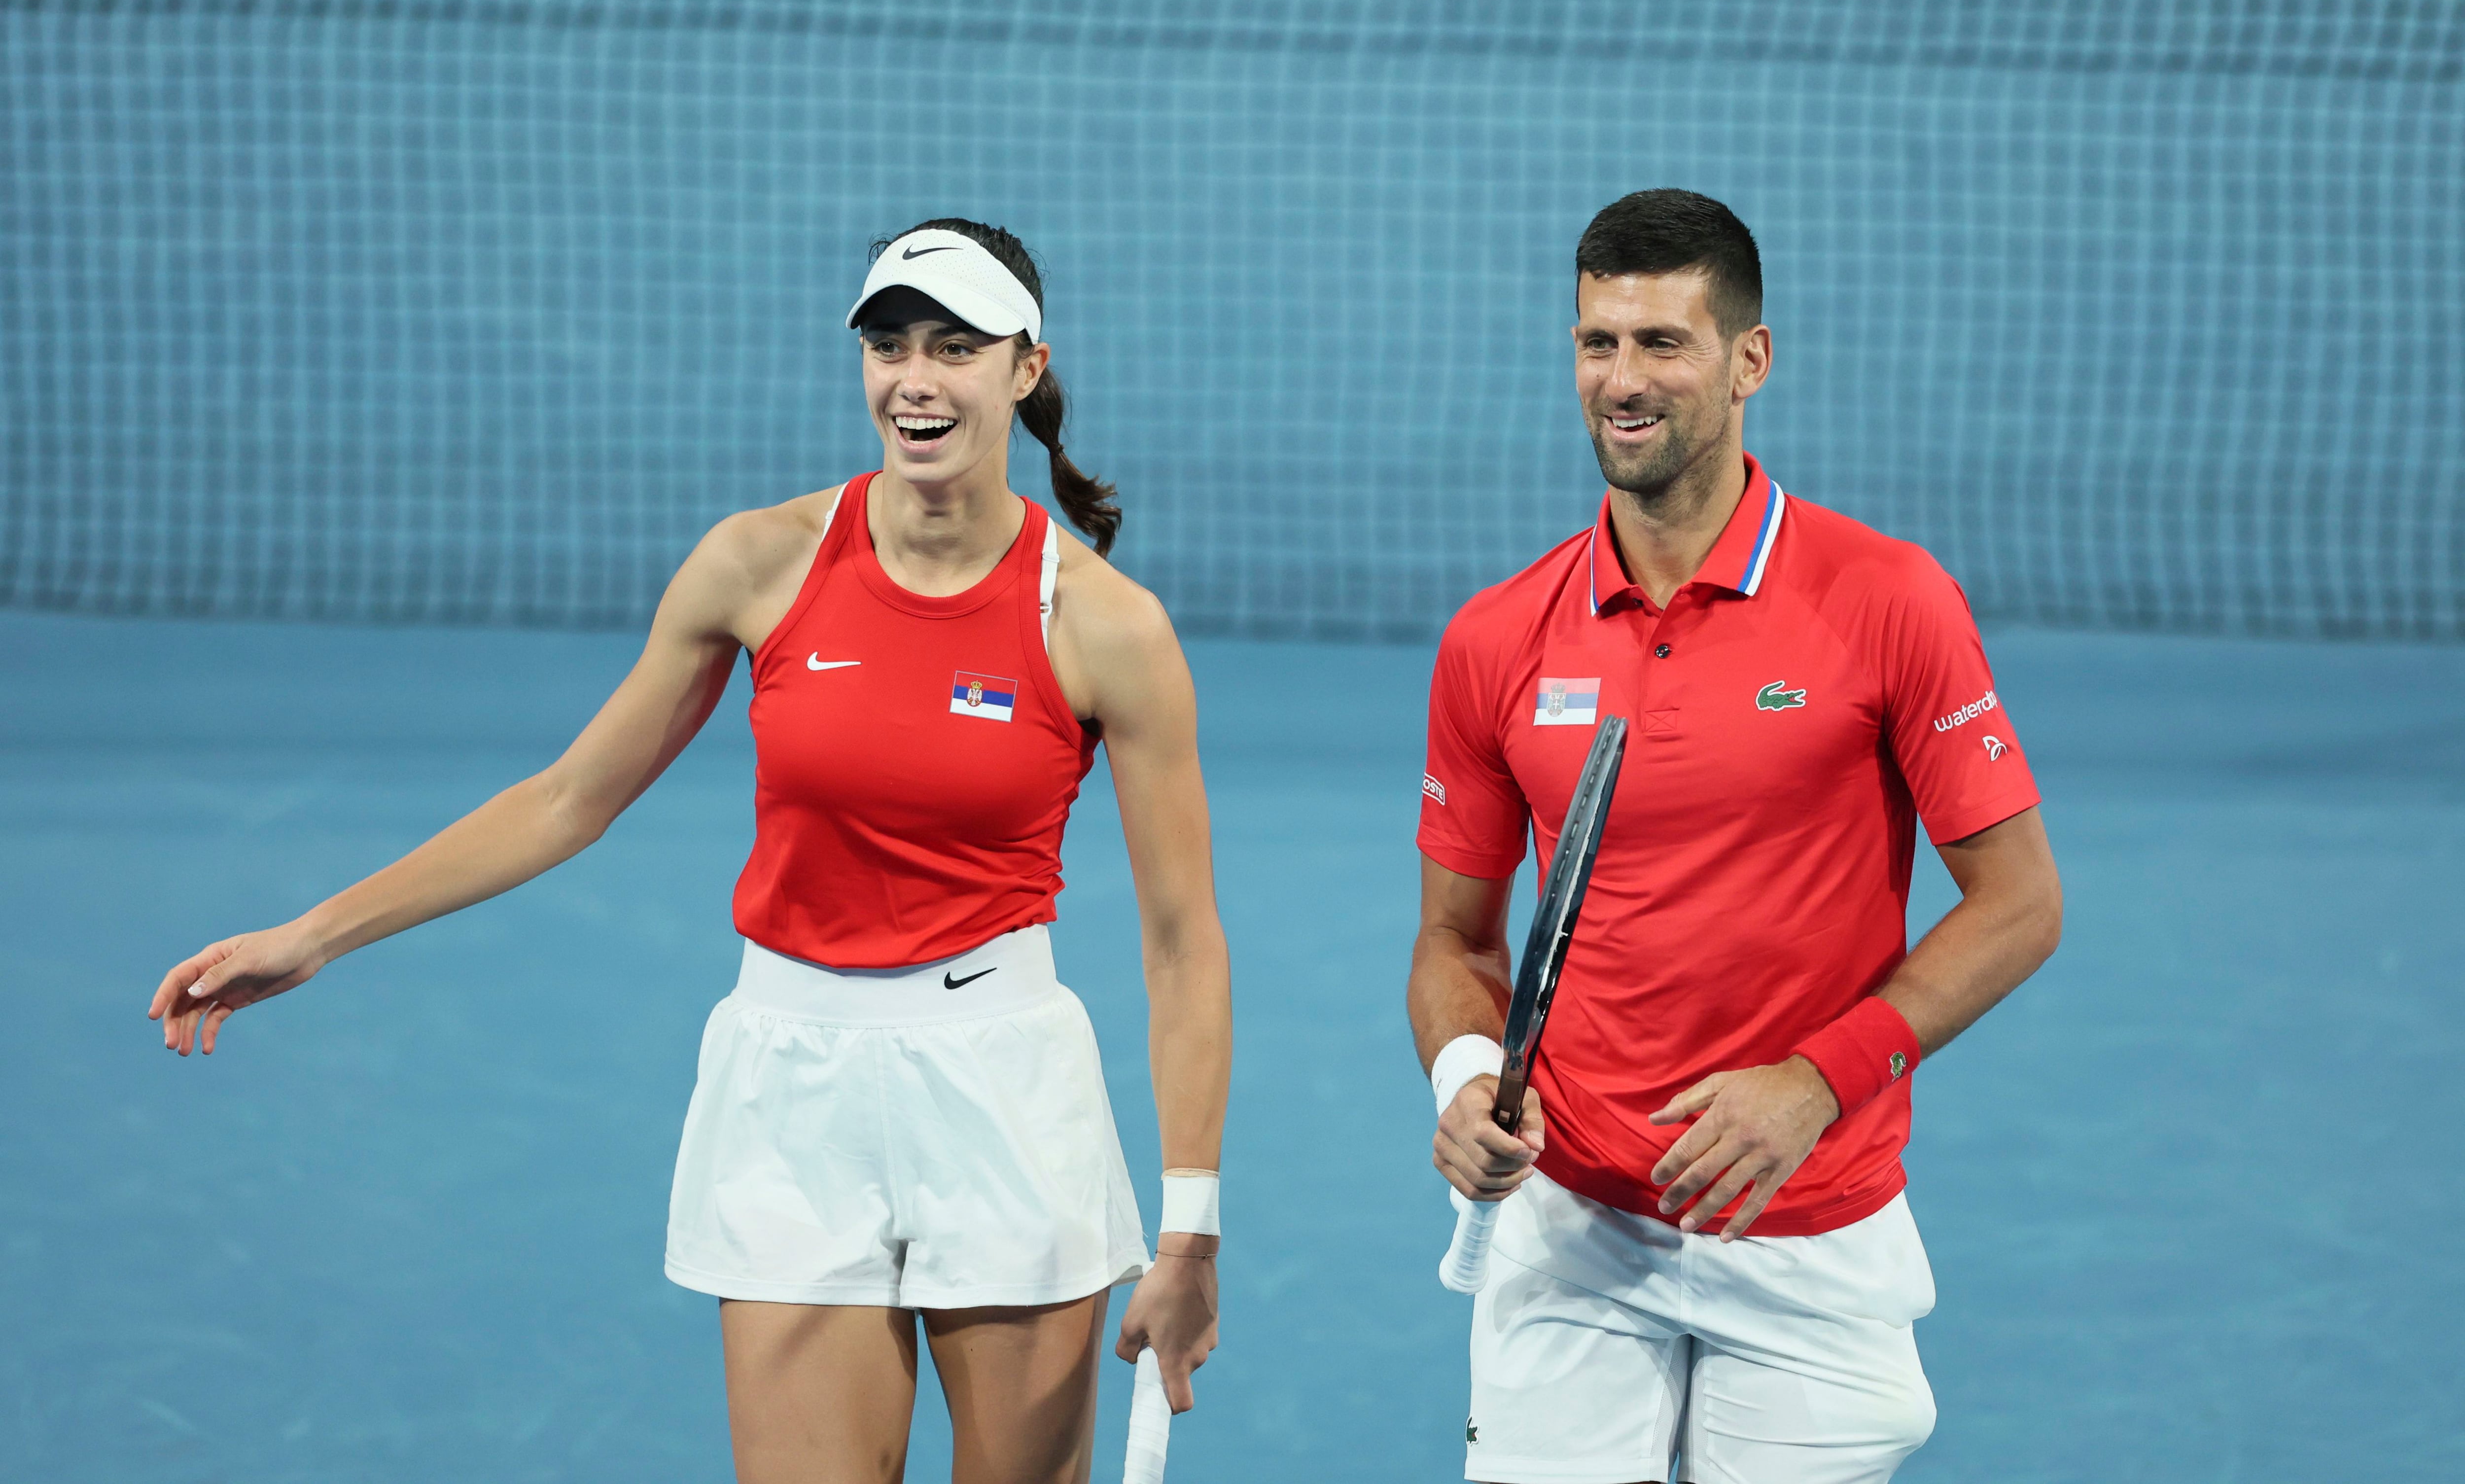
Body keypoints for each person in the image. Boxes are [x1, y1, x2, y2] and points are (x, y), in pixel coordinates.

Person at [149, 218, 1232, 1484]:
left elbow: (1180, 941)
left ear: (1025, 368)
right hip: (791, 1090)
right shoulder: (758, 562)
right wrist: (313, 934)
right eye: (889, 346)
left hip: (1000, 1087)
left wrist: (1190, 1232)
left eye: (955, 346)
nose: (915, 380)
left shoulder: (1106, 626)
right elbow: (567, 799)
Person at [1407, 190, 2062, 1483]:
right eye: (1599, 342)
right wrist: (1461, 1077)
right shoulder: (1499, 635)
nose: (1623, 379)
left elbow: (2021, 901)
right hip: (1572, 1228)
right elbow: (1452, 936)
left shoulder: (1889, 601)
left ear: (1749, 359)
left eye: (1664, 342)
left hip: (1805, 1228)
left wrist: (1818, 1078)